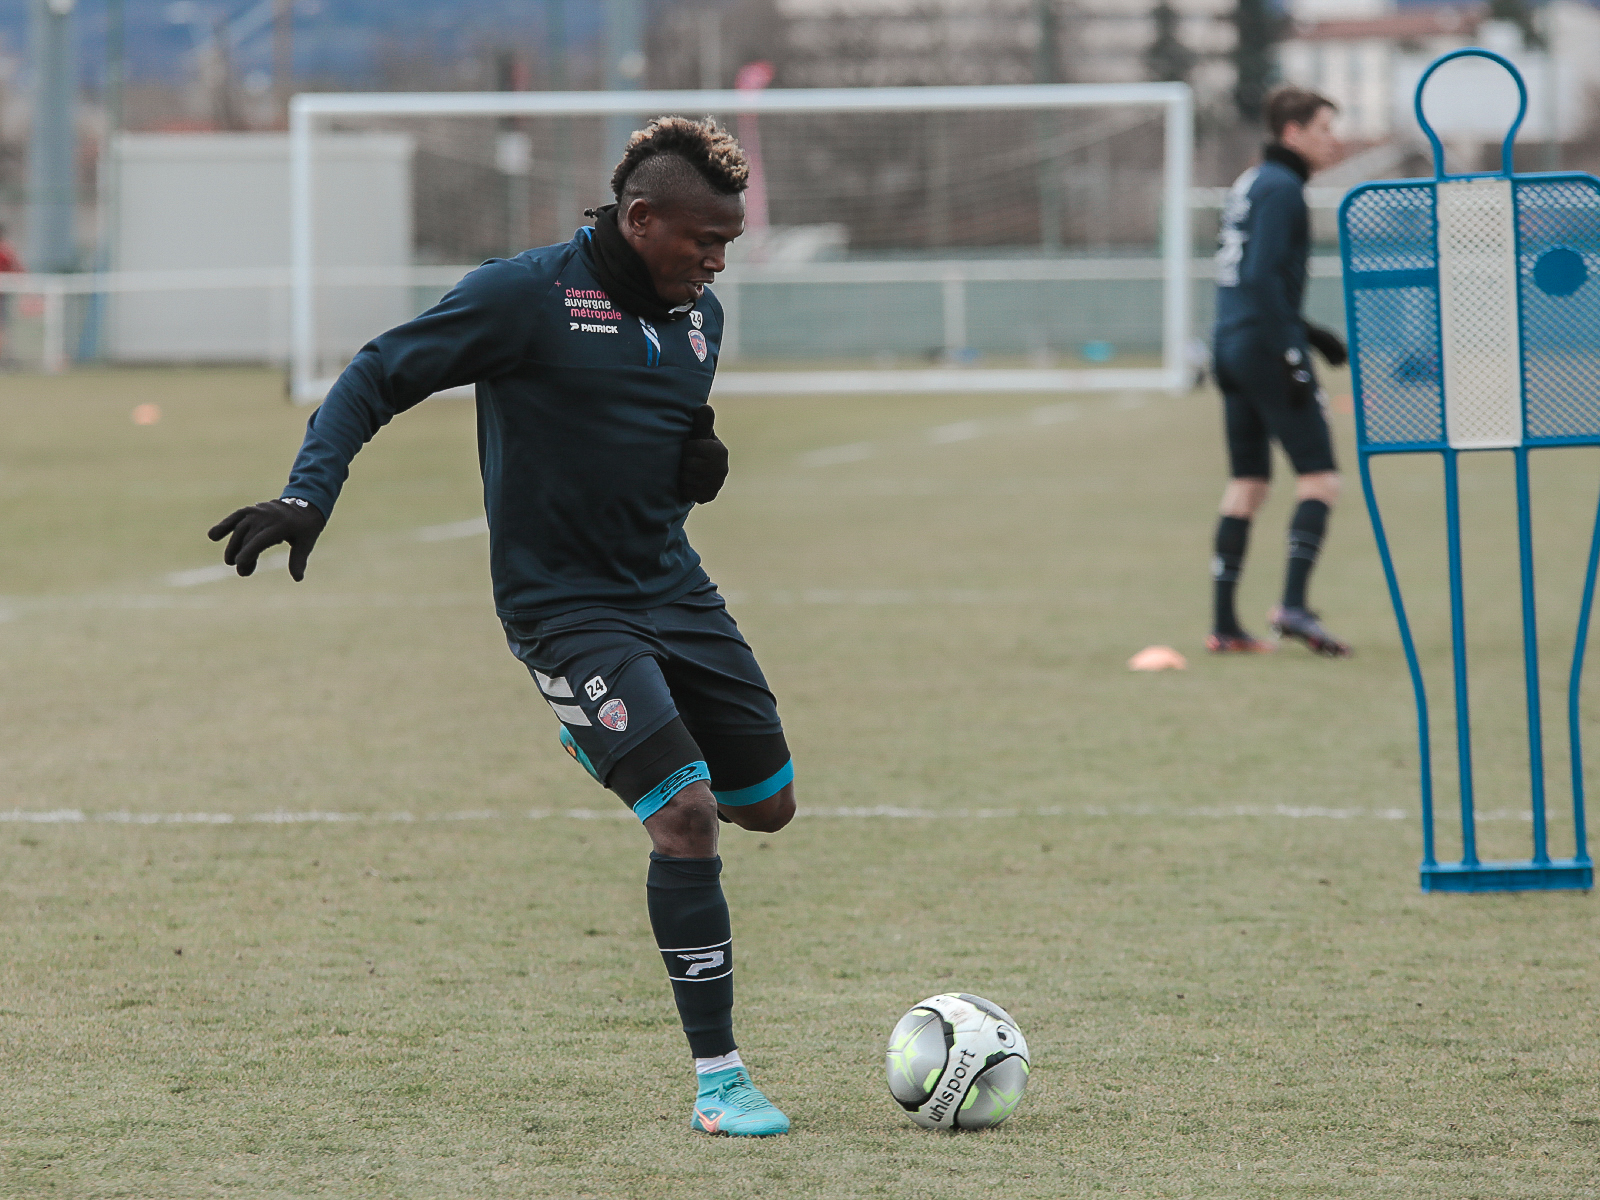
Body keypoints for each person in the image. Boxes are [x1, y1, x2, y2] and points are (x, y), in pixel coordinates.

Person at [207, 117, 796, 1137]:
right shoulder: (524, 297)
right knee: (687, 815)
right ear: (639, 216)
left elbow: (662, 435)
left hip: (675, 593)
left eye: (728, 244)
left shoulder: (699, 321)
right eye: (704, 239)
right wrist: (308, 498)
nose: (716, 260)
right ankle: (721, 1082)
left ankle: (599, 734)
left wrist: (697, 466)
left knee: (767, 808)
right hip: (566, 611)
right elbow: (374, 374)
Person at [1208, 86, 1353, 657]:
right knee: (1320, 479)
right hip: (1266, 346)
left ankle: (1224, 624)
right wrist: (1296, 350)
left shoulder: (1251, 181)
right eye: (1323, 128)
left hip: (1230, 341)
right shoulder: (1283, 188)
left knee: (1248, 483)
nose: (1332, 140)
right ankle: (1291, 605)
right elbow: (1264, 275)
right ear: (1292, 132)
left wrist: (1313, 336)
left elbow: (1250, 276)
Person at [0, 224, 22, 363]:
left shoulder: (6, 251)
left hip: (3, 296)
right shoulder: (6, 251)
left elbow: (18, 271)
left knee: (3, 327)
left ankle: (5, 358)